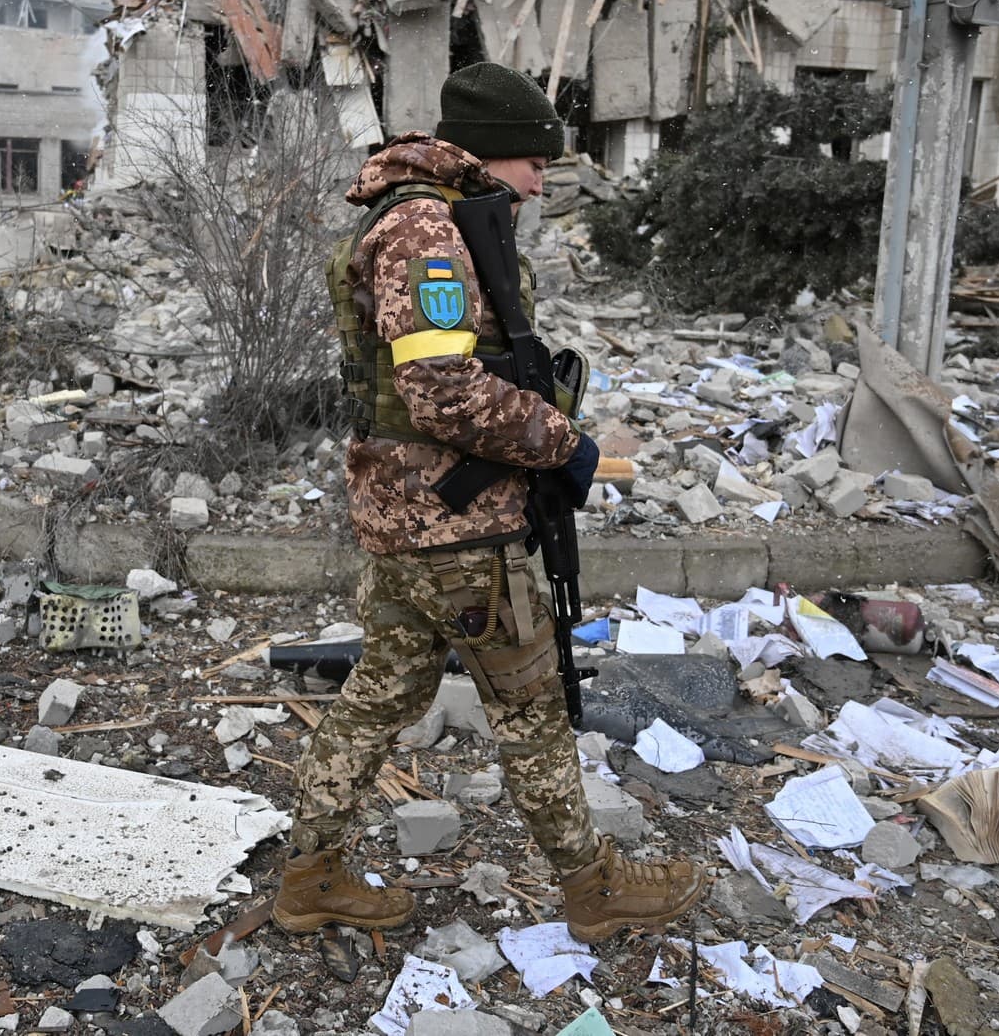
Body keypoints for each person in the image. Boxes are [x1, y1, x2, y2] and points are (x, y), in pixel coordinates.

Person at [278, 62, 710, 944]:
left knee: (379, 695)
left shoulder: (426, 215)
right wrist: (565, 444)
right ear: (492, 152)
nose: (541, 182)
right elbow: (442, 390)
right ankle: (593, 890)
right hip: (454, 530)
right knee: (533, 708)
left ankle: (308, 876)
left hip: (414, 519)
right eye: (534, 163)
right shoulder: (426, 229)